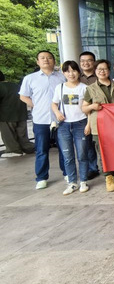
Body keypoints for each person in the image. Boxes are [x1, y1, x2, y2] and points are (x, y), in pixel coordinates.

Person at [19, 50, 67, 189]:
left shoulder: (62, 77)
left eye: (49, 58)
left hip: (61, 119)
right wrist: (36, 105)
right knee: (41, 150)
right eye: (42, 58)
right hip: (41, 120)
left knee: (64, 149)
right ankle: (41, 177)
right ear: (37, 61)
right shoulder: (30, 78)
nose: (46, 60)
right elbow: (23, 96)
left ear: (54, 61)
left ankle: (67, 173)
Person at [82, 59, 114, 192]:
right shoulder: (90, 89)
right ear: (95, 71)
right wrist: (92, 106)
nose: (102, 71)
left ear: (109, 70)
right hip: (99, 126)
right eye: (99, 69)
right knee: (103, 152)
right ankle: (108, 177)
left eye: (105, 69)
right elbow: (84, 108)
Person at [51, 61, 90, 195]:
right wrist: (57, 113)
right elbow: (54, 104)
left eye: (74, 70)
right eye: (67, 71)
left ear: (79, 72)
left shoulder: (84, 88)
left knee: (82, 154)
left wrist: (88, 124)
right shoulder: (60, 87)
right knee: (67, 156)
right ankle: (72, 182)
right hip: (64, 125)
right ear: (63, 73)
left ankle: (83, 181)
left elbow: (89, 109)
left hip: (81, 123)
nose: (71, 74)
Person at [0, 70, 35, 157]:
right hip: (21, 113)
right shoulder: (15, 85)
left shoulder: (1, 87)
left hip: (6, 116)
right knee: (22, 135)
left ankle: (13, 150)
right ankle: (27, 148)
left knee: (8, 134)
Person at [78, 51, 99, 178]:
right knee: (86, 145)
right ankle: (92, 168)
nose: (86, 63)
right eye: (83, 61)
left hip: (96, 115)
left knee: (98, 144)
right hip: (80, 116)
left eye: (89, 60)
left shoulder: (99, 77)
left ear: (94, 62)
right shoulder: (76, 77)